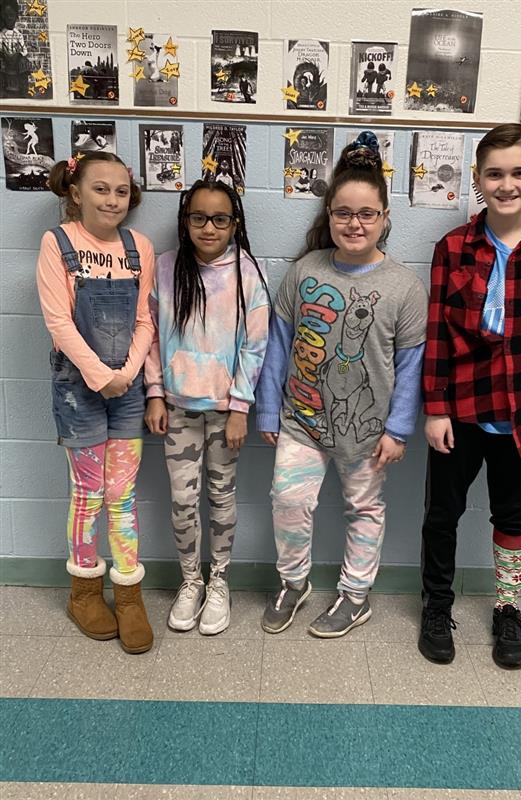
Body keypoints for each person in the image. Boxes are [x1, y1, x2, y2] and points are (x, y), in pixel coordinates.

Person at [419, 123, 521, 669]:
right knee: (442, 514)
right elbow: (436, 332)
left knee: (513, 516)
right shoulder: (452, 248)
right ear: (477, 179)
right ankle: (436, 606)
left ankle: (507, 609)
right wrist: (435, 407)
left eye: (518, 173)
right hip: (461, 410)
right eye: (494, 173)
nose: (506, 184)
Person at [256, 131, 428, 638]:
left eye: (367, 213)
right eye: (343, 212)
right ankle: (294, 583)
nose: (354, 223)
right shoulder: (304, 271)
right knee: (288, 501)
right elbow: (277, 346)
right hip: (302, 420)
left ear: (385, 218)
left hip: (368, 432)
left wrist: (397, 430)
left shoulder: (404, 287)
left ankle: (355, 596)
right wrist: (268, 411)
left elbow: (412, 366)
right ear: (328, 215)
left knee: (365, 509)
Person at [36, 152, 156, 654]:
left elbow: (147, 320)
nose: (112, 199)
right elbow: (58, 321)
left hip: (125, 393)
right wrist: (99, 375)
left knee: (122, 498)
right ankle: (84, 590)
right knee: (87, 495)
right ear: (76, 193)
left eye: (121, 191)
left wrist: (125, 376)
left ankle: (129, 594)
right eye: (100, 189)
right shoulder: (57, 243)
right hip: (77, 390)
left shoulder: (139, 246)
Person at [144, 179, 269, 635]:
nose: (209, 227)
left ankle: (219, 581)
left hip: (224, 411)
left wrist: (240, 407)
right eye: (198, 217)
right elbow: (152, 335)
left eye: (220, 219)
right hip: (176, 407)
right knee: (181, 501)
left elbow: (256, 345)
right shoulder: (165, 267)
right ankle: (190, 580)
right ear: (185, 221)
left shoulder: (248, 273)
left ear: (235, 223)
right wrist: (154, 392)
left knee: (221, 497)